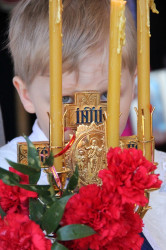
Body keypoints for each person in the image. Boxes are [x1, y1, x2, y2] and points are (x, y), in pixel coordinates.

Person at [0, 0, 165, 249]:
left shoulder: (158, 172)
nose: (88, 118)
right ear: (26, 95)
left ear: (134, 85)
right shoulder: (7, 178)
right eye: (65, 98)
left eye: (105, 95)